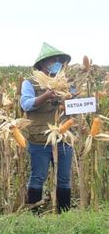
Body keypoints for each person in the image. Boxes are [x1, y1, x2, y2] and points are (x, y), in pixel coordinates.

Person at [20, 42, 73, 211]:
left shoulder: (67, 83)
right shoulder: (30, 83)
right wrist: (45, 96)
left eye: (59, 60)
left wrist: (73, 101)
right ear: (42, 64)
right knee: (38, 177)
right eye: (53, 60)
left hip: (63, 138)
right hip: (40, 139)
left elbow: (74, 107)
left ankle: (64, 214)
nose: (57, 63)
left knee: (64, 178)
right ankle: (33, 214)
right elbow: (26, 104)